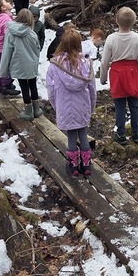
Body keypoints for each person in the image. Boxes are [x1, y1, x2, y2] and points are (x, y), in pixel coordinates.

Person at [46, 29, 98, 177]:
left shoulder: (55, 65)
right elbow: (92, 88)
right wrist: (92, 106)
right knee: (83, 133)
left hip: (64, 105)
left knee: (71, 136)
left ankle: (73, 166)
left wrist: (56, 105)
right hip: (82, 105)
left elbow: (50, 88)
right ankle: (86, 165)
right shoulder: (86, 64)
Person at [99, 7, 138, 143]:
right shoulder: (137, 38)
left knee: (120, 106)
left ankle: (121, 134)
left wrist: (103, 78)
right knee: (134, 105)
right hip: (133, 72)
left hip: (117, 74)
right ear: (133, 21)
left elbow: (105, 61)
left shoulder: (111, 38)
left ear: (116, 20)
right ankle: (136, 133)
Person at [0, 8, 43, 120]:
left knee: (24, 86)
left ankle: (28, 112)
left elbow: (7, 50)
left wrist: (3, 69)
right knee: (33, 85)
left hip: (19, 64)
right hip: (31, 64)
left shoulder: (10, 33)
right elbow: (37, 49)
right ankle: (36, 109)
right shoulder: (32, 33)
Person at [0, 0, 21, 96]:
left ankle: (0, 85)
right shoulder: (6, 19)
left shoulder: (3, 16)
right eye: (6, 2)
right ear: (3, 8)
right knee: (6, 66)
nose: (9, 2)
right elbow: (8, 34)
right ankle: (6, 86)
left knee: (1, 65)